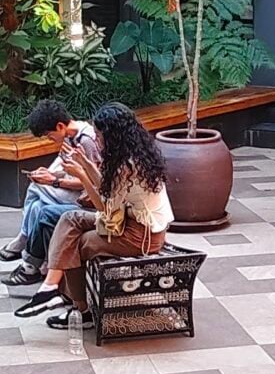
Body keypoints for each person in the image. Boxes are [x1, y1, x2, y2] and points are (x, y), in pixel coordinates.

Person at [20, 101, 173, 328]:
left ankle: (81, 310)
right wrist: (85, 163)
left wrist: (82, 175)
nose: (97, 140)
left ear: (113, 136)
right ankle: (51, 287)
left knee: (77, 243)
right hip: (131, 223)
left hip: (140, 236)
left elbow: (106, 208)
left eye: (99, 136)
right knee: (69, 219)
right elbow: (108, 189)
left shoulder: (127, 165)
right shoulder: (136, 154)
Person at [0, 98, 100, 289]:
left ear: (60, 126)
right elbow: (65, 169)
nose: (49, 139)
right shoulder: (70, 138)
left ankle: (24, 240)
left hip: (87, 198)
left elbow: (92, 181)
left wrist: (53, 180)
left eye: (49, 135)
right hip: (75, 190)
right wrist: (49, 174)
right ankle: (35, 265)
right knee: (37, 206)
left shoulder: (86, 140)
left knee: (36, 188)